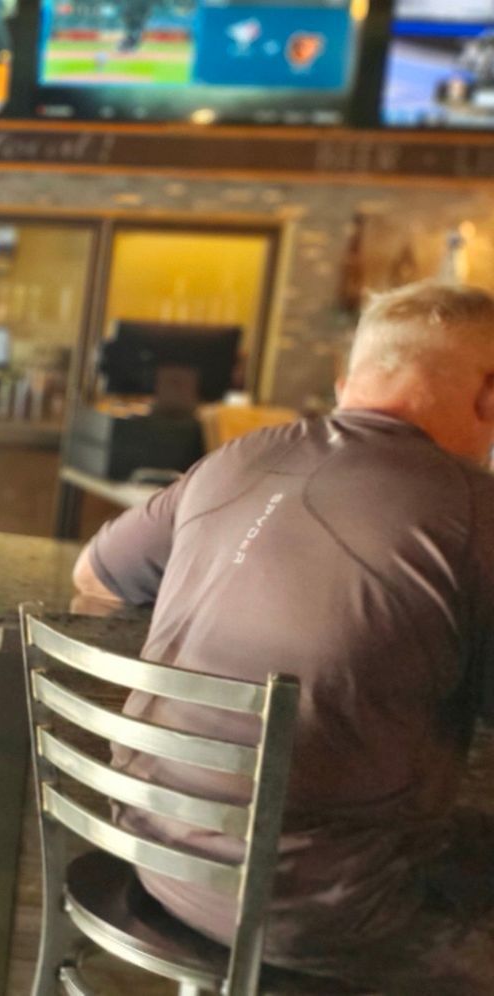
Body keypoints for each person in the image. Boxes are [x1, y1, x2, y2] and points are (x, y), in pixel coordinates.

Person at [75, 279, 494, 993]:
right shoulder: (472, 512)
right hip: (331, 915)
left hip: (157, 857)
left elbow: (95, 575)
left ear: (351, 380)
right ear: (488, 393)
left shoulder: (240, 457)